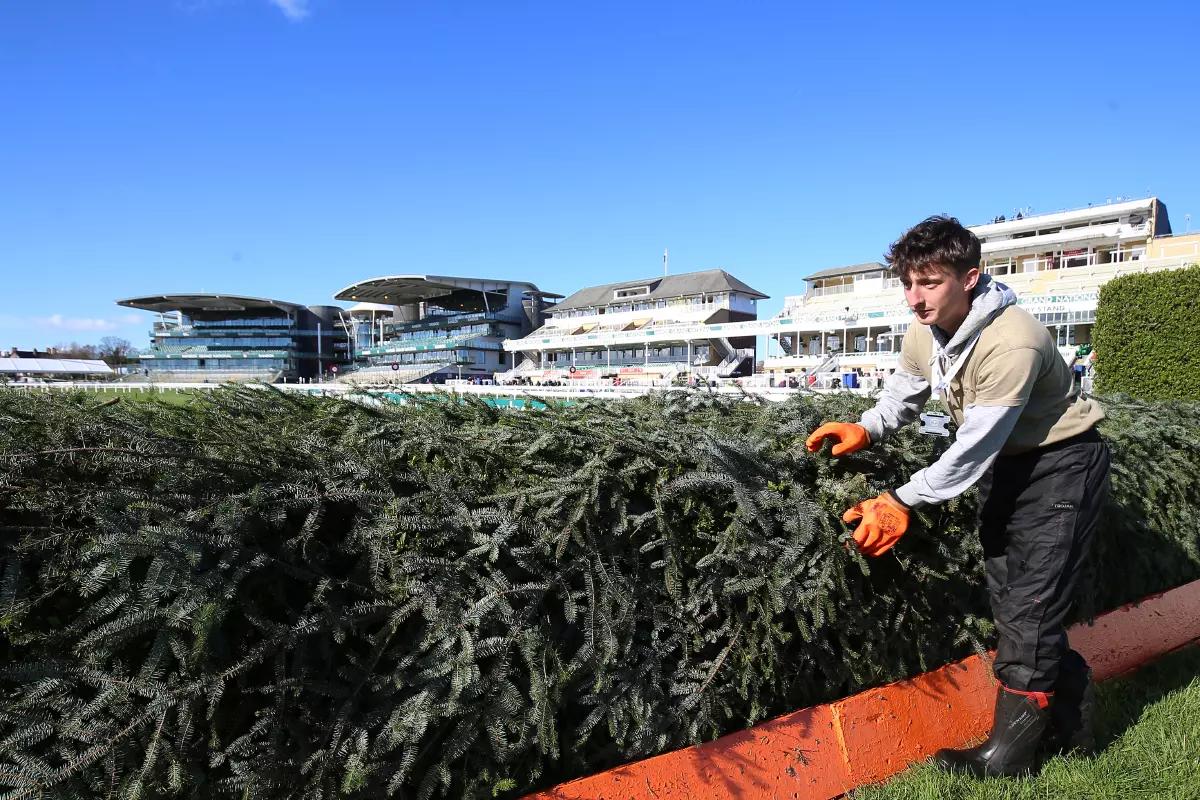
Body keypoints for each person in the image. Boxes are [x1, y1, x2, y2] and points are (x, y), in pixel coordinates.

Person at [805, 216, 1109, 778]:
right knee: (1011, 600)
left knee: (1031, 608)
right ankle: (1072, 722)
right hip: (1005, 468)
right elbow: (904, 395)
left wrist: (899, 500)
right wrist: (867, 428)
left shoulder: (1011, 339)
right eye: (907, 283)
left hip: (1062, 466)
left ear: (969, 278)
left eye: (930, 282)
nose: (915, 299)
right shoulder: (925, 330)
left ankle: (1008, 759)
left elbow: (972, 447)